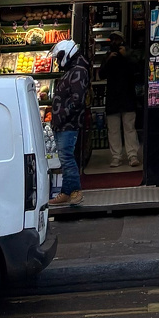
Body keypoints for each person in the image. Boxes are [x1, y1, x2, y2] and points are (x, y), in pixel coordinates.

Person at [51, 38, 90, 205]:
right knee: (65, 157)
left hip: (69, 124)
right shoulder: (74, 69)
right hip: (64, 123)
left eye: (59, 58)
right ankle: (66, 192)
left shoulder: (78, 71)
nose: (58, 62)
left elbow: (77, 100)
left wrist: (61, 116)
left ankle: (75, 191)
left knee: (67, 157)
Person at [101, 38, 141, 169]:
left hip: (127, 97)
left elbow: (137, 70)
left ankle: (132, 155)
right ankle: (116, 156)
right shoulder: (108, 57)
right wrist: (108, 60)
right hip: (114, 98)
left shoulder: (129, 57)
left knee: (129, 127)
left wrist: (126, 56)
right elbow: (101, 74)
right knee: (114, 130)